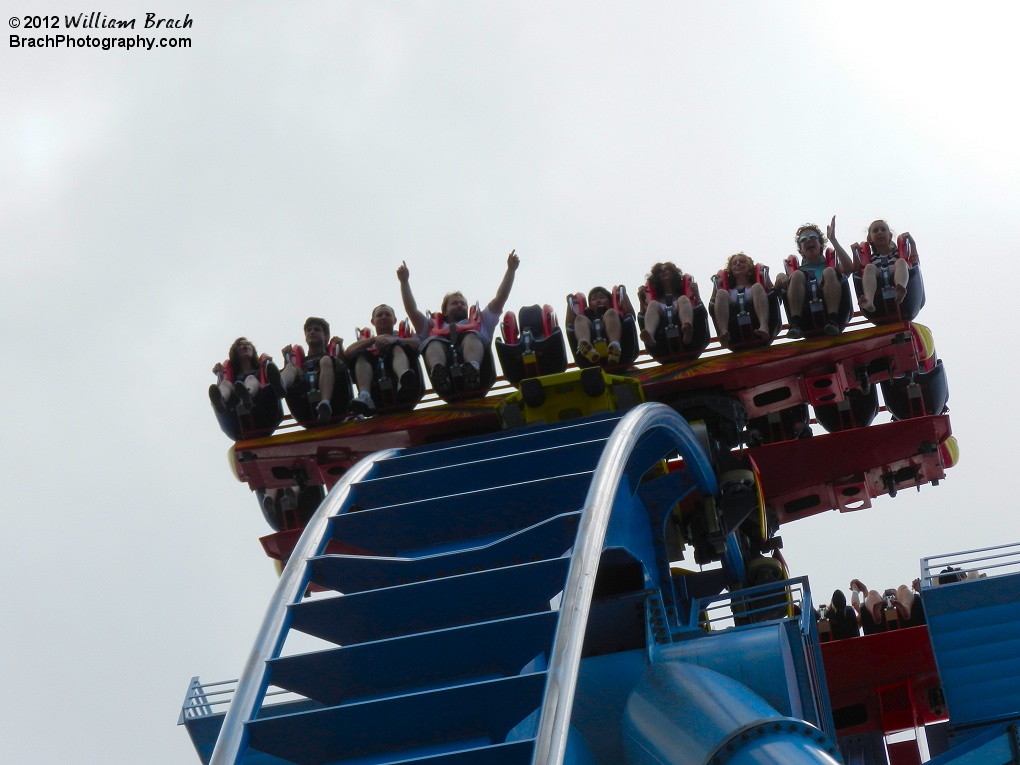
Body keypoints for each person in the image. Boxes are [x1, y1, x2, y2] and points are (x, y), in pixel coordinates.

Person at [399, 250, 520, 396]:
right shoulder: (431, 327)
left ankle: (472, 369)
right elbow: (411, 310)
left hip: (481, 378)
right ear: (444, 310)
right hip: (447, 386)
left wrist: (511, 270)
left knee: (471, 336)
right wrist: (404, 282)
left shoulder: (482, 321)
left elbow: (501, 297)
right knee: (432, 342)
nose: (459, 306)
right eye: (454, 303)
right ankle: (439, 373)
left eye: (462, 303)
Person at [775, 217, 854, 338]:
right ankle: (795, 324)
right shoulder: (797, 273)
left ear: (821, 243)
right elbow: (779, 287)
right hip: (806, 318)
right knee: (796, 275)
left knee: (829, 272)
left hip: (836, 317)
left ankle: (832, 320)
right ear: (801, 249)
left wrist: (833, 240)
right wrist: (780, 277)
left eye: (813, 237)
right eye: (804, 239)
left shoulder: (831, 267)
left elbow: (849, 268)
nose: (808, 240)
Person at [343, 303, 421, 416]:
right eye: (379, 315)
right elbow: (349, 353)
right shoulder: (368, 341)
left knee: (396, 347)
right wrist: (374, 340)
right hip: (377, 385)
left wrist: (394, 340)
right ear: (372, 321)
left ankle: (404, 380)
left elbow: (419, 343)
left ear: (394, 320)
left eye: (387, 315)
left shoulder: (403, 336)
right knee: (362, 355)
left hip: (403, 387)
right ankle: (365, 395)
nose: (383, 317)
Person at [268, 316, 348, 425]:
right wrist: (287, 360)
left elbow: (345, 369)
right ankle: (280, 386)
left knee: (325, 360)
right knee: (290, 367)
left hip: (335, 403)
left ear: (326, 337)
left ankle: (325, 403)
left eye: (317, 329)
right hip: (304, 404)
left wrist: (340, 348)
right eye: (309, 330)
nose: (312, 332)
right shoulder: (299, 364)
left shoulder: (332, 358)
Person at [710, 252, 773, 347]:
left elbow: (773, 295)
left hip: (752, 295)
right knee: (721, 293)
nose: (738, 264)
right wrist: (716, 287)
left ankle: (764, 326)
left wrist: (766, 277)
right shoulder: (728, 292)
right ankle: (723, 332)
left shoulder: (755, 287)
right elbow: (712, 305)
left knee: (757, 286)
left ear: (749, 268)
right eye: (734, 263)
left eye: (742, 262)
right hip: (732, 301)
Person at [855, 220, 917, 312]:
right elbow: (856, 270)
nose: (880, 232)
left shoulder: (897, 254)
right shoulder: (871, 259)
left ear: (890, 236)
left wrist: (912, 243)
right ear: (870, 239)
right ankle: (869, 301)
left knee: (901, 262)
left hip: (896, 275)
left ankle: (900, 289)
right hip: (878, 279)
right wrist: (854, 252)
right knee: (869, 268)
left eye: (883, 230)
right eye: (875, 231)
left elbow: (915, 262)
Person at [565, 286, 636, 366]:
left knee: (610, 313)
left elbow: (631, 316)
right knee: (579, 319)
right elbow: (569, 325)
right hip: (590, 355)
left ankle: (615, 346)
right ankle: (587, 348)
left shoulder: (613, 312)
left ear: (610, 301)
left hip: (622, 350)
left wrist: (624, 296)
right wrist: (570, 305)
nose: (598, 300)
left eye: (602, 297)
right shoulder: (588, 316)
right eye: (594, 299)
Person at [639, 261, 699, 348]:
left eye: (667, 269)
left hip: (679, 321)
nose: (663, 271)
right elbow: (643, 315)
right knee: (653, 304)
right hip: (661, 332)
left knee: (683, 299)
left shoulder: (682, 297)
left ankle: (687, 329)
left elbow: (699, 308)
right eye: (660, 271)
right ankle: (650, 335)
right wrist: (642, 300)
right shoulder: (655, 302)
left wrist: (696, 293)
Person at [209, 337, 273, 413]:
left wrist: (270, 365)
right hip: (235, 401)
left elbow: (274, 381)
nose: (245, 346)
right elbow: (223, 385)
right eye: (240, 345)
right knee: (225, 383)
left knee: (251, 378)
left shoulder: (261, 368)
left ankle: (248, 396)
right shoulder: (233, 374)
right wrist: (220, 374)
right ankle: (220, 401)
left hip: (261, 398)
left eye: (248, 344)